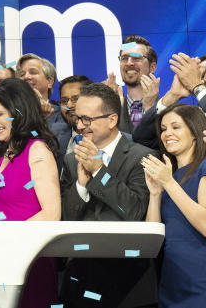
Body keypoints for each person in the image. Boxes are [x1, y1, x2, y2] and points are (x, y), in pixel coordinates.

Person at [59, 82, 158, 308]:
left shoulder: (142, 157)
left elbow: (134, 212)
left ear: (112, 120)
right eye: (78, 119)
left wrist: (98, 172)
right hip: (80, 280)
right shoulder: (71, 160)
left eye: (88, 119)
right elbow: (66, 218)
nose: (81, 126)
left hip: (128, 283)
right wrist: (81, 187)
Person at [0, 78, 60, 307]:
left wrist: (8, 238)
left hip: (29, 263)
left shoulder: (38, 151)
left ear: (19, 111)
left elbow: (51, 214)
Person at [142, 104, 206, 308]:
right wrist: (155, 194)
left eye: (175, 127)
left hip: (202, 285)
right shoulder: (168, 177)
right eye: (163, 129)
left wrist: (168, 183)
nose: (167, 134)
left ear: (195, 132)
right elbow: (152, 240)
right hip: (170, 283)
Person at [16, 53, 70, 159]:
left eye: (33, 72)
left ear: (49, 81)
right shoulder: (11, 115)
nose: (26, 77)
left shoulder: (64, 114)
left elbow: (55, 151)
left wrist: (42, 118)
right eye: (22, 74)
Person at [117, 36, 160, 130]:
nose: (129, 63)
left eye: (136, 57)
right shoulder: (114, 109)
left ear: (152, 67)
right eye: (124, 58)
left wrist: (150, 109)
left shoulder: (167, 108)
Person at [57, 74, 90, 154]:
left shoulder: (106, 136)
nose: (69, 105)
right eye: (64, 101)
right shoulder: (55, 138)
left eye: (75, 99)